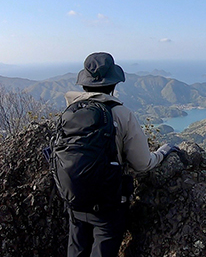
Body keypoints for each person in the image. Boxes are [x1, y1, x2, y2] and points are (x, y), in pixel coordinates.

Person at [64, 52, 176, 257]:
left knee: (76, 251)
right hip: (108, 205)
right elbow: (142, 164)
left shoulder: (70, 111)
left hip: (75, 198)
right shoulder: (121, 114)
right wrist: (163, 152)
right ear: (113, 85)